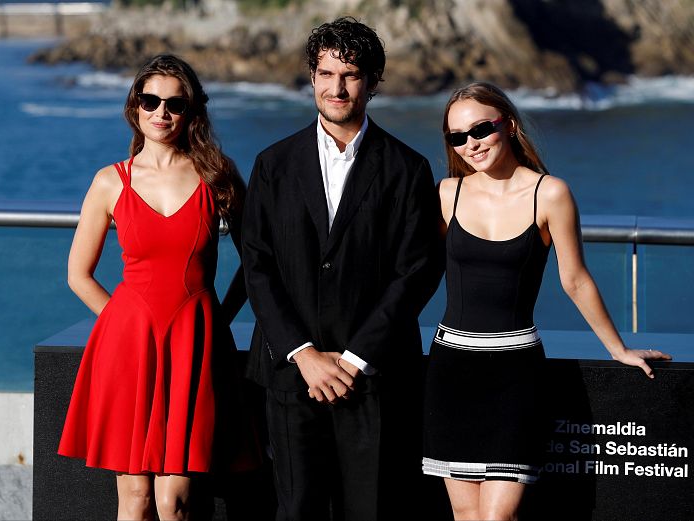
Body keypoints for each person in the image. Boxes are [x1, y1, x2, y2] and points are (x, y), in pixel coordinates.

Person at [421, 81, 673, 521]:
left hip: (514, 371)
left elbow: (575, 280)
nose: (470, 144)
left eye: (480, 129)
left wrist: (619, 349)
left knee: (498, 517)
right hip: (452, 370)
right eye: (457, 137)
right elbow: (412, 274)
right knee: (465, 517)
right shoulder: (446, 195)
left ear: (509, 124)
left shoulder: (550, 193)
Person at [241, 16, 445, 521]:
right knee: (297, 511)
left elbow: (416, 272)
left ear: (373, 82)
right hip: (291, 374)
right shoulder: (273, 164)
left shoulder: (407, 168)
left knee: (371, 511)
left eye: (351, 75)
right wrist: (304, 354)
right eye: (327, 73)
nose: (337, 87)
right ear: (311, 77)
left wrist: (353, 359)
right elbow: (258, 264)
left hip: (372, 377)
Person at [57, 54, 259, 521]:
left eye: (174, 103)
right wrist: (122, 324)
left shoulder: (217, 174)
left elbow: (257, 262)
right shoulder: (111, 181)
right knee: (136, 500)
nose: (161, 113)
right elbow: (78, 275)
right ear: (135, 107)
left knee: (177, 502)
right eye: (150, 101)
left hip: (195, 344)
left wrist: (216, 319)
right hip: (128, 347)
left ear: (191, 111)